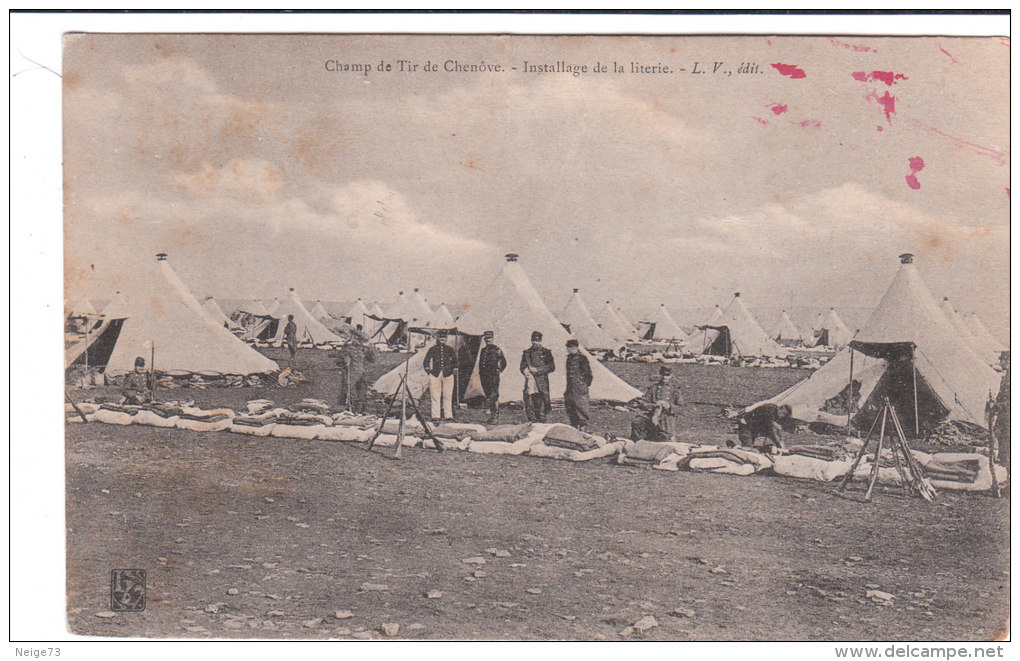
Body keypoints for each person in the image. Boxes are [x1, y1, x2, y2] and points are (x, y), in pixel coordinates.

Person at [630, 365, 684, 441]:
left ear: (671, 376)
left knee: (665, 439)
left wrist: (669, 406)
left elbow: (681, 408)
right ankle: (637, 443)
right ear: (660, 374)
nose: (664, 377)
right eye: (663, 375)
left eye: (667, 375)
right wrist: (653, 406)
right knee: (637, 422)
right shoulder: (653, 388)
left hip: (666, 417)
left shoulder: (675, 390)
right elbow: (645, 402)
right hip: (651, 415)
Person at [335, 325, 376, 414]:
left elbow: (372, 359)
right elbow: (338, 361)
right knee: (350, 393)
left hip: (362, 375)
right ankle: (351, 410)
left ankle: (360, 410)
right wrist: (344, 360)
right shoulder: (347, 348)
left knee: (362, 393)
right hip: (351, 374)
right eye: (357, 338)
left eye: (360, 339)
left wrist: (371, 348)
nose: (358, 341)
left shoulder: (364, 349)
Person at [520, 330, 555, 423]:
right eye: (534, 341)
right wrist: (525, 371)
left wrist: (539, 370)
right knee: (529, 402)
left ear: (541, 341)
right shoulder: (527, 353)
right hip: (530, 381)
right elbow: (522, 366)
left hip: (541, 382)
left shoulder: (546, 352)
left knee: (541, 402)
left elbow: (551, 367)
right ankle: (532, 421)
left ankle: (542, 421)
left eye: (538, 341)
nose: (535, 343)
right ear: (531, 341)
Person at [423, 331, 458, 421]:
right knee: (435, 395)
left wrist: (454, 369)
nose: (442, 340)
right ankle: (435, 416)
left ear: (446, 339)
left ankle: (448, 416)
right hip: (435, 374)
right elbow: (426, 361)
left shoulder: (450, 349)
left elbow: (455, 361)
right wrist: (428, 371)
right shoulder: (433, 349)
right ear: (438, 338)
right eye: (441, 338)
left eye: (444, 338)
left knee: (448, 395)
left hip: (448, 374)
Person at [477, 331, 507, 424]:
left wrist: (498, 370)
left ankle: (495, 416)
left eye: (489, 338)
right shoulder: (483, 350)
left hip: (493, 375)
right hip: (484, 375)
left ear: (493, 338)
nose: (488, 340)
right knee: (488, 394)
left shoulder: (497, 349)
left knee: (493, 395)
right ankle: (491, 415)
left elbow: (504, 362)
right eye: (486, 338)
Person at [564, 338, 593, 431]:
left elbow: (588, 375)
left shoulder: (582, 358)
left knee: (582, 408)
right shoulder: (569, 358)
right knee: (571, 409)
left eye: (572, 347)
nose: (570, 349)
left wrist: (583, 384)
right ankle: (574, 428)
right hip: (570, 388)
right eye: (568, 347)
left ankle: (583, 430)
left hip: (580, 388)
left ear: (576, 347)